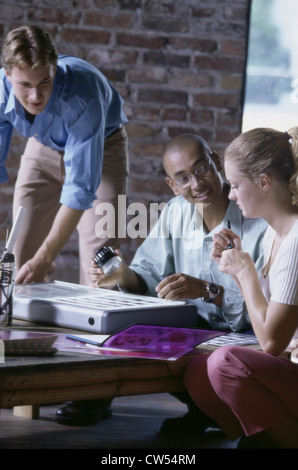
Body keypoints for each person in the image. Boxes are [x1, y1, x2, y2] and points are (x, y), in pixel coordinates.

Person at [89, 133, 268, 435]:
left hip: (253, 333)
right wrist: (124, 276)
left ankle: (229, 415)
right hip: (199, 329)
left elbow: (263, 306)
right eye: (183, 178)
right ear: (172, 186)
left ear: (216, 160)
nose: (197, 184)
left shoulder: (255, 214)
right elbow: (150, 276)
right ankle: (205, 410)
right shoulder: (176, 211)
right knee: (134, 336)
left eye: (201, 169)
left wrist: (206, 291)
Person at [0, 25, 129, 425]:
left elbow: (81, 190)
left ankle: (95, 390)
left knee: (102, 263)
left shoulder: (83, 92)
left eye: (44, 81)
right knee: (12, 261)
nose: (35, 95)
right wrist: (30, 256)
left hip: (102, 149)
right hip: (42, 146)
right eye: (24, 85)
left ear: (55, 67)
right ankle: (18, 375)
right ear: (7, 76)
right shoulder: (2, 87)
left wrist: (47, 256)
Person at [184, 127, 298, 448]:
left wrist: (246, 271)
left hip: (288, 357)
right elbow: (268, 321)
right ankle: (265, 435)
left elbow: (273, 341)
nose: (230, 195)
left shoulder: (296, 240)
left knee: (226, 363)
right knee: (197, 369)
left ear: (263, 182)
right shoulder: (271, 234)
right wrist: (237, 269)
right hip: (291, 360)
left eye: (235, 186)